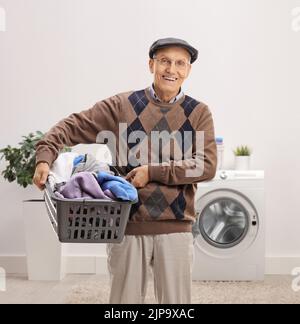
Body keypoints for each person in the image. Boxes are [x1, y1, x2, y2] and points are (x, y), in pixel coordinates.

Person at [33, 37, 217, 304]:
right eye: (164, 61)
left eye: (180, 63)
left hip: (176, 226)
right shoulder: (122, 106)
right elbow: (72, 125)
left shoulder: (199, 113)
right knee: (124, 306)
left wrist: (151, 172)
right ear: (151, 64)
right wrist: (44, 157)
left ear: (188, 71)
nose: (171, 69)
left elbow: (206, 165)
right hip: (126, 224)